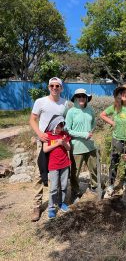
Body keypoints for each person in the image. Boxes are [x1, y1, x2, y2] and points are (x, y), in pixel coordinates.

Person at [29, 77, 69, 222]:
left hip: (59, 143)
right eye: (52, 85)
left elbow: (65, 123)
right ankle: (36, 206)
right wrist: (40, 134)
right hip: (44, 143)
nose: (54, 88)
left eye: (57, 86)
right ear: (48, 87)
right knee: (39, 173)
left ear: (61, 88)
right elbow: (32, 119)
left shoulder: (65, 103)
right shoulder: (40, 101)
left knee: (59, 172)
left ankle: (58, 201)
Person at [100, 84, 126, 198]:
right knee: (114, 162)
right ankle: (111, 185)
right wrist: (112, 122)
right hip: (117, 139)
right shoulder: (115, 106)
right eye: (123, 93)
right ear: (120, 94)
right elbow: (102, 114)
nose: (125, 94)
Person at [65, 88, 98, 203]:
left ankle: (95, 186)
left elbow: (94, 121)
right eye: (79, 96)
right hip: (77, 146)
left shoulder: (90, 110)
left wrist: (90, 131)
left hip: (89, 145)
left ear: (87, 98)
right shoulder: (71, 112)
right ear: (75, 98)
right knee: (75, 171)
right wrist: (83, 134)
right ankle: (75, 191)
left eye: (83, 96)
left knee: (94, 167)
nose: (81, 98)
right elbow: (67, 130)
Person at [43, 115, 71, 219]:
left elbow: (68, 148)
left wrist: (63, 143)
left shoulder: (64, 135)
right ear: (53, 125)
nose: (60, 129)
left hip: (65, 164)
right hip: (53, 165)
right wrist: (57, 143)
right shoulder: (47, 135)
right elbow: (45, 150)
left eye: (61, 127)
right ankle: (51, 208)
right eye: (58, 127)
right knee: (54, 188)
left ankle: (61, 203)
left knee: (63, 186)